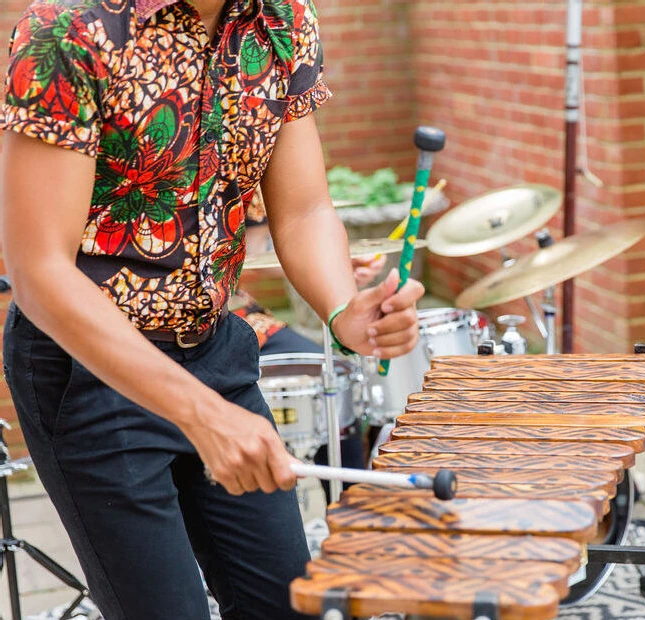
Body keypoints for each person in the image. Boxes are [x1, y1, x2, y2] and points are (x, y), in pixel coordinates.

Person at [0, 0, 425, 618]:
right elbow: (38, 272)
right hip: (88, 368)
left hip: (215, 345)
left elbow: (304, 209)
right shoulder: (69, 30)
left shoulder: (282, 21)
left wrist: (343, 308)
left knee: (286, 607)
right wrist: (202, 416)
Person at [236, 190, 387, 498]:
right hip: (160, 326)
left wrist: (334, 266)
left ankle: (352, 501)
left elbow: (259, 251)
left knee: (331, 374)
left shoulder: (246, 159)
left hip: (239, 310)